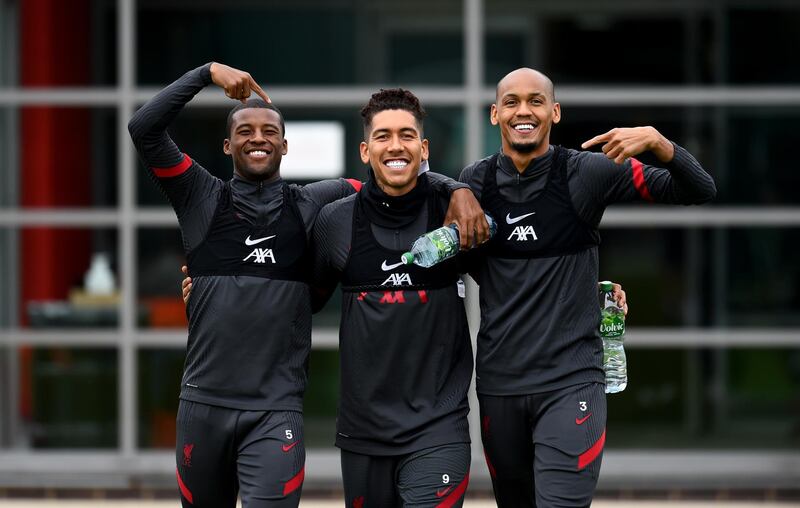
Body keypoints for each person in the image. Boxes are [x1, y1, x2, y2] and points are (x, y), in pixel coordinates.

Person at [128, 62, 484, 508]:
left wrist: (455, 189)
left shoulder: (314, 204)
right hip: (203, 405)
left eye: (269, 130)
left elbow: (395, 177)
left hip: (276, 412)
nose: (258, 137)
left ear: (285, 145)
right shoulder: (200, 198)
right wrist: (205, 75)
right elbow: (143, 128)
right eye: (245, 131)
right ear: (226, 144)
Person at [459, 68, 716, 507]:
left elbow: (697, 189)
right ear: (494, 113)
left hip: (571, 381)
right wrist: (573, 284)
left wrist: (660, 143)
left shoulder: (586, 172)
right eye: (513, 101)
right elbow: (485, 271)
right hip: (500, 387)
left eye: (537, 101)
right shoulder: (473, 184)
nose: (525, 110)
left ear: (554, 112)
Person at [310, 88, 474, 507]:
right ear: (365, 151)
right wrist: (213, 290)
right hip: (363, 434)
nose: (395, 145)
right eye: (383, 136)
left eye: (406, 135)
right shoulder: (336, 221)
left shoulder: (455, 215)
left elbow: (519, 281)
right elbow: (296, 300)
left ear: (423, 148)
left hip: (438, 426)